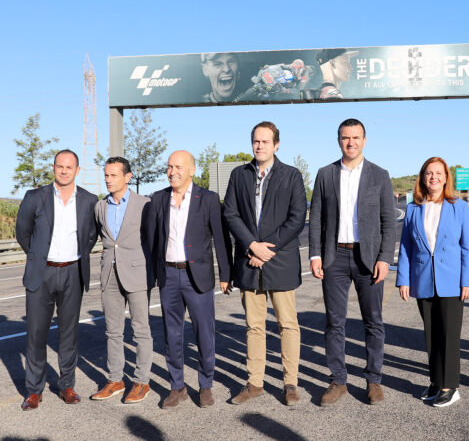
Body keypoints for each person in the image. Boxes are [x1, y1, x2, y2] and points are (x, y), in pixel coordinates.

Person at [308, 118, 396, 406]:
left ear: (364, 140)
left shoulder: (379, 175)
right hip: (335, 257)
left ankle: (373, 380)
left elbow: (388, 221)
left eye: (356, 137)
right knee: (334, 322)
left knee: (373, 322)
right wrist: (315, 253)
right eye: (346, 138)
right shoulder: (325, 174)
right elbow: (317, 218)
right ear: (339, 141)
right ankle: (338, 380)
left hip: (368, 259)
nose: (351, 142)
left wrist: (385, 258)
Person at [222, 122, 307, 406]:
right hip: (248, 262)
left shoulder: (291, 175)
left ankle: (290, 384)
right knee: (254, 326)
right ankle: (255, 383)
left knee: (288, 325)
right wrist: (252, 245)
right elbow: (231, 214)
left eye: (265, 142)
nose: (260, 146)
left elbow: (297, 218)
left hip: (279, 260)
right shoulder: (238, 175)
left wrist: (267, 248)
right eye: (256, 141)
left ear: (276, 144)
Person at [146, 150, 231, 408]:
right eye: (170, 167)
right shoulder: (158, 199)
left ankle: (205, 386)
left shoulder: (208, 198)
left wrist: (226, 275)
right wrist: (153, 277)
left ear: (192, 170)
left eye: (178, 167)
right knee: (172, 334)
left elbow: (221, 239)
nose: (173, 171)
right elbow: (151, 241)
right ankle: (177, 387)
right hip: (168, 275)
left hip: (198, 277)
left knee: (204, 333)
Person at [16, 150, 98, 410]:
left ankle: (67, 386)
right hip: (42, 272)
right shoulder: (35, 197)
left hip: (73, 271)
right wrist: (39, 255)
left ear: (77, 170)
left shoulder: (88, 200)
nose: (64, 171)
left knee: (69, 333)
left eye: (69, 167)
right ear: (53, 168)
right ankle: (33, 391)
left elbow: (90, 236)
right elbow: (23, 232)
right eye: (59, 166)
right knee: (36, 334)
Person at [397, 157, 469, 407]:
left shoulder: (459, 207)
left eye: (438, 173)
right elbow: (407, 248)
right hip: (423, 280)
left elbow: (467, 247)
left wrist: (468, 281)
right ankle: (435, 381)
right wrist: (403, 279)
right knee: (431, 336)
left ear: (446, 177)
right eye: (429, 173)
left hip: (452, 281)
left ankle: (450, 386)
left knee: (449, 335)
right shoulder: (413, 208)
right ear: (422, 177)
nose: (433, 177)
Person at [90, 157, 154, 404]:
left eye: (113, 175)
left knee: (141, 331)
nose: (108, 179)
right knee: (112, 331)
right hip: (109, 274)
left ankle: (141, 381)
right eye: (106, 175)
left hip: (137, 273)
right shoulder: (100, 207)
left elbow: (152, 239)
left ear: (127, 177)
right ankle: (115, 379)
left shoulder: (144, 204)